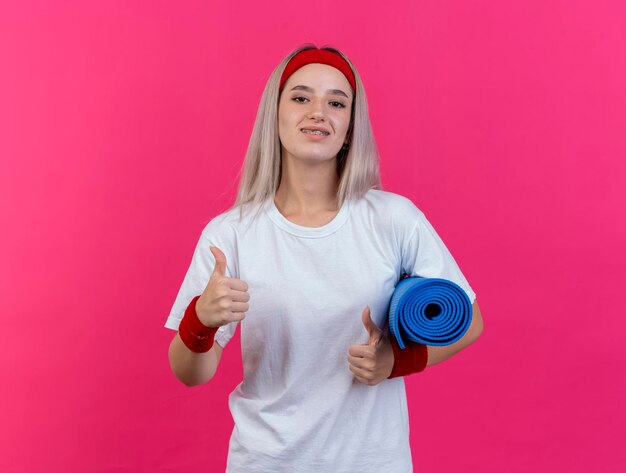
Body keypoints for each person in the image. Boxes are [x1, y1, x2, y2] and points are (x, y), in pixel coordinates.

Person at [165, 44, 484, 473]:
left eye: (336, 102)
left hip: (373, 462)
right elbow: (190, 373)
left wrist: (395, 361)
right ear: (274, 116)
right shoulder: (231, 234)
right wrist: (201, 320)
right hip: (265, 461)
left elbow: (469, 320)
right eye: (300, 97)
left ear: (350, 127)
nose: (318, 112)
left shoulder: (394, 219)